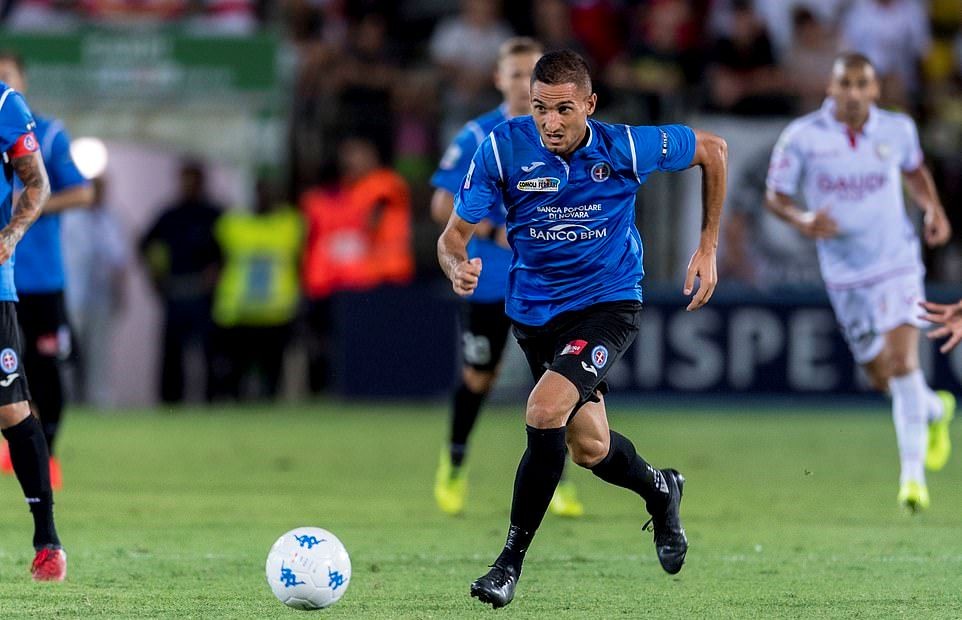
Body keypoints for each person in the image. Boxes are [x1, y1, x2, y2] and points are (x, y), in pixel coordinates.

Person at [438, 50, 727, 608]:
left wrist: (707, 247)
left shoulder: (624, 146)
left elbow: (713, 150)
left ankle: (507, 565)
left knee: (543, 410)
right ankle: (662, 491)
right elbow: (452, 236)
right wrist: (458, 266)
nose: (550, 122)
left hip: (608, 303)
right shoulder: (502, 146)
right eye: (540, 108)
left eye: (563, 109)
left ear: (589, 106)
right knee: (589, 448)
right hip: (534, 313)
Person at [765, 53, 955, 512]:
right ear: (831, 89)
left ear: (874, 90)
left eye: (861, 84)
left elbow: (914, 172)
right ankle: (932, 409)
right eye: (844, 84)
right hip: (845, 274)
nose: (852, 93)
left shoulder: (898, 129)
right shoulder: (803, 137)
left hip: (897, 261)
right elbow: (775, 195)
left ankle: (912, 479)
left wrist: (932, 209)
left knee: (903, 360)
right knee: (879, 375)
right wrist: (802, 217)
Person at [431, 37, 585, 519]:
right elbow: (441, 204)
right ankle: (454, 462)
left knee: (554, 381)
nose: (523, 83)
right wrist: (495, 231)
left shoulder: (566, 134)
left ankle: (555, 481)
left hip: (546, 283)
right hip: (490, 281)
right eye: (515, 74)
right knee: (480, 376)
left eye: (530, 73)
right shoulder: (479, 135)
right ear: (499, 79)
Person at [0, 52, 94, 491]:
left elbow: (81, 193)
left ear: (22, 81)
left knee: (45, 369)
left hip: (39, 275)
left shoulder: (48, 132)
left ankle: (49, 452)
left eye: (7, 76)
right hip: (8, 278)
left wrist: (23, 215)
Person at [0, 73, 67, 580]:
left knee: (13, 410)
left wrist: (12, 232)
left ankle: (46, 540)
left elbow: (37, 181)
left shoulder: (4, 102)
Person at [209, 178, 303, 400]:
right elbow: (215, 260)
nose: (264, 197)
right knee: (235, 378)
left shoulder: (290, 224)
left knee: (272, 379)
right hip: (239, 313)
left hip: (276, 314)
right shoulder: (233, 224)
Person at [139, 160, 223, 403]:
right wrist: (155, 276)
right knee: (172, 355)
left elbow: (227, 251)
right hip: (175, 290)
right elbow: (145, 244)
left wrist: (217, 273)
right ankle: (170, 404)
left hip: (203, 293)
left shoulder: (213, 214)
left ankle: (211, 401)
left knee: (208, 353)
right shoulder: (170, 215)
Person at [61, 176, 129, 408]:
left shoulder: (111, 220)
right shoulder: (70, 218)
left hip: (101, 298)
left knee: (99, 354)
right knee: (68, 353)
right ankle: (67, 399)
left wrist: (120, 293)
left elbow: (119, 261)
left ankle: (98, 401)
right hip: (73, 298)